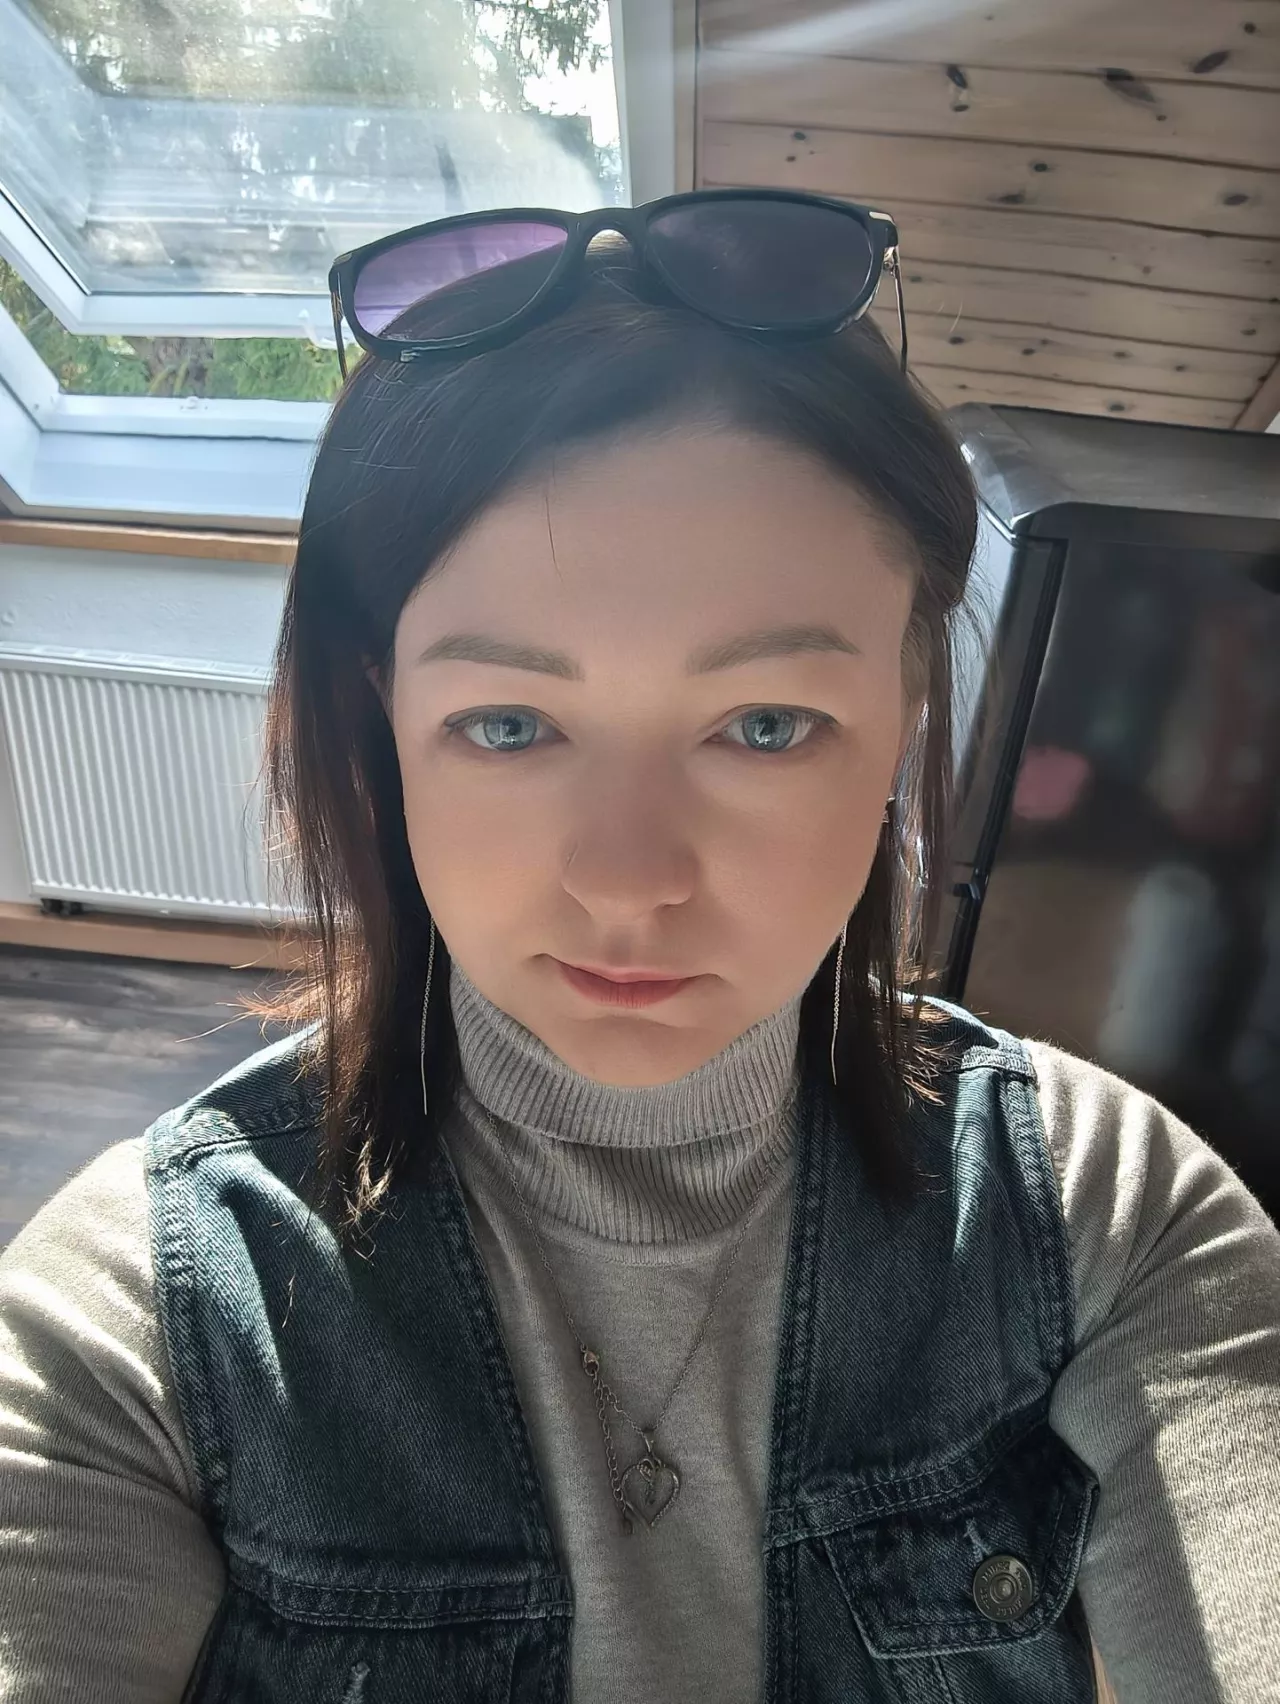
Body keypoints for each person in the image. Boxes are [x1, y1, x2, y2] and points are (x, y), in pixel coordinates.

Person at [0, 192, 1277, 1704]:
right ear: (385, 722)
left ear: (903, 718)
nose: (628, 883)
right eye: (508, 724)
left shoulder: (1112, 1219)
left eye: (765, 724)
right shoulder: (137, 1320)